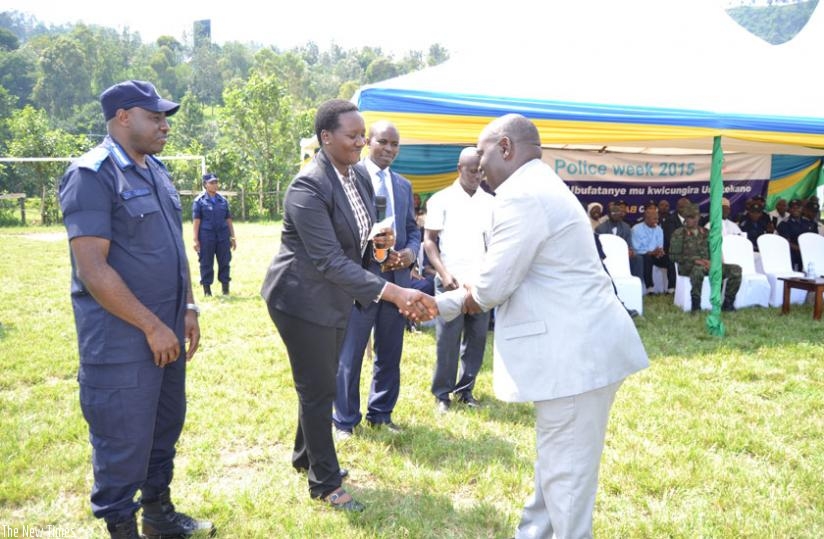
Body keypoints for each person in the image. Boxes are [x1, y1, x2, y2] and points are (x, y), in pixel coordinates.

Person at [436, 114, 648, 539]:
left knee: (565, 480)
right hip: (580, 352)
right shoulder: (539, 183)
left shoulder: (522, 195)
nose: (478, 164)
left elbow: (493, 287)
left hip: (574, 358)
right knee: (557, 467)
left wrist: (434, 304)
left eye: (481, 153)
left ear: (505, 147)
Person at [260, 100, 434, 512]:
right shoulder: (307, 187)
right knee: (319, 388)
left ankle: (305, 458)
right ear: (325, 137)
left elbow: (356, 238)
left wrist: (380, 246)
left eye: (362, 135)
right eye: (353, 136)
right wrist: (394, 293)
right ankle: (325, 482)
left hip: (337, 296)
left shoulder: (355, 175)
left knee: (316, 382)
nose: (361, 143)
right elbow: (328, 260)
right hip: (300, 299)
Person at [58, 80, 214, 539]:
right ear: (123, 117)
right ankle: (121, 528)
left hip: (166, 329)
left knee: (163, 428)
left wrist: (186, 306)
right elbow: (92, 268)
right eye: (156, 117)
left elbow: (173, 247)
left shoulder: (156, 170)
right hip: (123, 340)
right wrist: (149, 326)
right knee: (122, 439)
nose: (165, 126)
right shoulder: (92, 174)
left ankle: (159, 518)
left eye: (165, 118)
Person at [333, 121, 421, 438]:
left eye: (395, 144)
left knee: (390, 351)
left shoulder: (403, 185)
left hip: (397, 280)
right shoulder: (350, 178)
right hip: (361, 279)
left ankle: (381, 414)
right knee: (351, 352)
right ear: (369, 141)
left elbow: (412, 230)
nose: (389, 149)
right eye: (383, 141)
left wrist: (410, 254)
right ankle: (344, 420)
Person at [424, 147, 495, 413]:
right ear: (459, 169)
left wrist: (486, 278)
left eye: (481, 171)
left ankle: (466, 390)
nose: (477, 176)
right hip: (449, 280)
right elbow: (429, 242)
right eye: (472, 170)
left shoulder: (490, 202)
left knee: (476, 339)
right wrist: (443, 273)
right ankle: (442, 394)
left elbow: (495, 245)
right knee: (447, 341)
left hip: (479, 283)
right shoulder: (440, 199)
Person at [670, 204, 742, 312]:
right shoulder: (679, 234)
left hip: (708, 265)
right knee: (697, 270)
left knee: (736, 269)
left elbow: (715, 251)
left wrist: (713, 262)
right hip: (689, 266)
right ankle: (696, 306)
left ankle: (728, 304)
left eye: (695, 217)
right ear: (685, 219)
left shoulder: (706, 233)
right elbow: (673, 256)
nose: (693, 220)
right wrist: (695, 260)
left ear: (699, 217)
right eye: (690, 217)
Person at [192, 173, 236, 296]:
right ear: (205, 185)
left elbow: (228, 219)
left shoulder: (223, 201)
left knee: (224, 261)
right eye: (211, 183)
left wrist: (232, 236)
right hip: (206, 236)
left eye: (216, 182)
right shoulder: (199, 202)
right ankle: (207, 291)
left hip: (222, 235)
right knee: (206, 262)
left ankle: (225, 290)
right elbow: (196, 221)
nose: (215, 185)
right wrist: (195, 239)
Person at [631, 203, 675, 293]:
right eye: (654, 219)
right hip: (643, 255)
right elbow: (636, 248)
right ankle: (649, 287)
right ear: (646, 218)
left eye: (657, 218)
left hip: (656, 255)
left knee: (670, 259)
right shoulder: (636, 229)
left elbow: (660, 245)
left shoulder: (659, 229)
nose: (657, 221)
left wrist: (660, 252)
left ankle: (671, 288)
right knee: (647, 259)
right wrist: (652, 252)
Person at [595, 200, 643, 278]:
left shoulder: (626, 227)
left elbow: (629, 244)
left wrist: (630, 251)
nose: (616, 215)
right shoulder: (600, 228)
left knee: (638, 258)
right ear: (609, 214)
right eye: (613, 213)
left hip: (623, 254)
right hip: (607, 254)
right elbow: (600, 247)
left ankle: (638, 282)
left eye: (618, 213)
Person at [777, 199, 814, 270]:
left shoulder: (807, 222)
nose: (795, 209)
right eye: (793, 207)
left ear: (802, 209)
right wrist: (802, 249)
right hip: (792, 255)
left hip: (808, 253)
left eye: (798, 207)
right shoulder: (784, 223)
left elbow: (812, 238)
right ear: (789, 209)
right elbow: (786, 242)